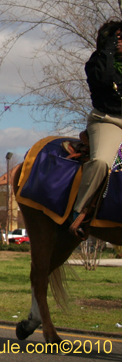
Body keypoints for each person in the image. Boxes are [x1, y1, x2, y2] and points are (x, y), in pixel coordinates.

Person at [70, 19, 122, 239]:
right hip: (108, 121)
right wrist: (108, 52)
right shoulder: (97, 63)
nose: (121, 42)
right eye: (118, 37)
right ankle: (80, 212)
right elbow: (105, 80)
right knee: (101, 161)